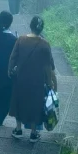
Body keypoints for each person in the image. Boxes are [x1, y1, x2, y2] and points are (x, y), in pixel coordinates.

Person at [8, 14, 56, 142]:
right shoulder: (45, 44)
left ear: (30, 26)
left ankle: (18, 129)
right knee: (35, 104)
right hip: (37, 80)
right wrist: (49, 82)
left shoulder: (21, 40)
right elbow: (48, 66)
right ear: (41, 29)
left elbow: (13, 58)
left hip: (21, 78)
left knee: (19, 102)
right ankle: (33, 133)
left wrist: (10, 71)